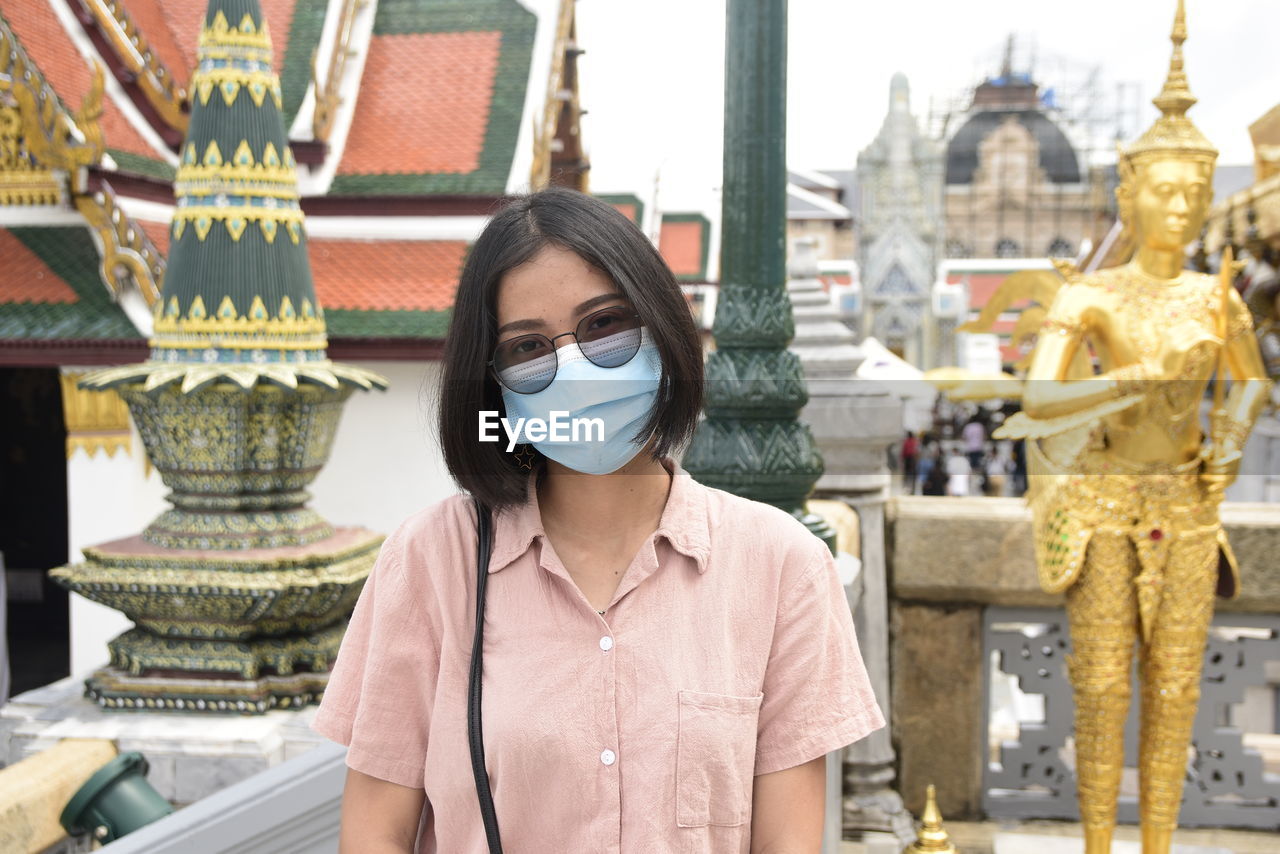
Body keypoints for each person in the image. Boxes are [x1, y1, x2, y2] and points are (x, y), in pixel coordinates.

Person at [310, 188, 884, 853]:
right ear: (493, 383)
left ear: (665, 327)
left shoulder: (781, 565)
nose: (576, 371)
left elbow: (788, 842)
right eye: (528, 347)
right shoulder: (429, 561)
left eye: (604, 324)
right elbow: (375, 836)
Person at [1006, 7, 1272, 851]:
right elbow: (1040, 401)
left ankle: (1157, 844)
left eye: (1194, 192)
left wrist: (1228, 445)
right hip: (1103, 504)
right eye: (1163, 189)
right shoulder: (1091, 296)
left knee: (1176, 690)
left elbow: (1252, 384)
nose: (1180, 206)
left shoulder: (1214, 295)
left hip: (1189, 507)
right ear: (1130, 192)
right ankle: (1096, 846)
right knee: (1104, 687)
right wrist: (1125, 381)